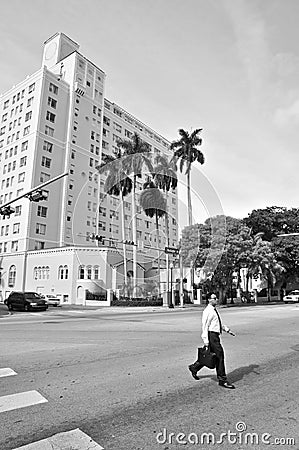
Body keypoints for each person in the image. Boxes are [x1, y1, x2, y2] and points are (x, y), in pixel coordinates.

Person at [188, 293, 236, 389]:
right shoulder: (207, 311)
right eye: (214, 298)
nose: (216, 300)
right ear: (209, 300)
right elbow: (205, 326)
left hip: (215, 335)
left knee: (210, 355)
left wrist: (227, 330)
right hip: (211, 336)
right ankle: (222, 379)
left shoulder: (213, 310)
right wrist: (206, 340)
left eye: (216, 298)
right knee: (219, 356)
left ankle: (194, 367)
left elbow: (217, 323)